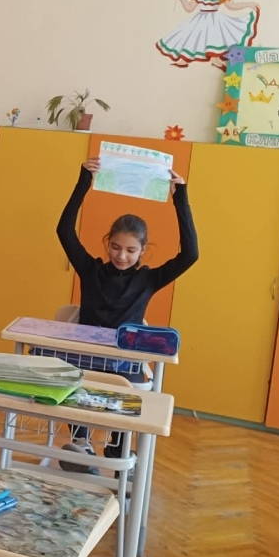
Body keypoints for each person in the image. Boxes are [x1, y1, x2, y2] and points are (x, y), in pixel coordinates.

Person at [55, 155, 198, 460]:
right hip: (87, 358)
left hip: (125, 365)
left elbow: (191, 254)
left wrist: (181, 197)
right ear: (107, 243)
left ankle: (118, 447)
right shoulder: (91, 270)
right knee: (72, 379)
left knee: (132, 390)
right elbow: (64, 230)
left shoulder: (148, 279)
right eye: (116, 247)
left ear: (143, 250)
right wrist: (84, 182)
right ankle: (81, 443)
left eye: (131, 250)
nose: (122, 256)